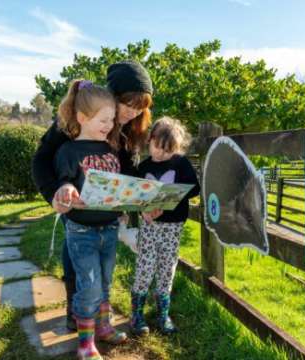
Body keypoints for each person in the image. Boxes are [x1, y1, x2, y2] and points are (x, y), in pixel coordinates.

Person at [31, 61, 153, 331]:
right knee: (76, 251)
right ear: (112, 97)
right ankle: (75, 310)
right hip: (72, 198)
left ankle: (99, 317)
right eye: (128, 104)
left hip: (106, 209)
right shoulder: (75, 120)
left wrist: (141, 200)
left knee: (104, 270)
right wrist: (54, 194)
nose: (132, 112)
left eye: (140, 107)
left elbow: (128, 170)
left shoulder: (130, 128)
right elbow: (41, 159)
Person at [53, 79, 125, 360]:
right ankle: (85, 342)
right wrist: (66, 189)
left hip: (109, 228)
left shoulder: (110, 151)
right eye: (104, 119)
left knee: (105, 281)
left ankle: (104, 327)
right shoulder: (69, 151)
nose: (109, 125)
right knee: (90, 284)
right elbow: (64, 184)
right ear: (83, 118)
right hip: (81, 230)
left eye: (112, 120)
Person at [129, 117, 200, 335]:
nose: (161, 154)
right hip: (150, 227)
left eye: (168, 151)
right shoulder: (143, 167)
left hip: (173, 228)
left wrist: (171, 197)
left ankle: (163, 314)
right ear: (149, 140)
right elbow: (135, 196)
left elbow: (194, 189)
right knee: (145, 267)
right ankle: (137, 314)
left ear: (176, 149)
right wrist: (144, 209)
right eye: (157, 147)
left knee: (167, 269)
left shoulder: (181, 163)